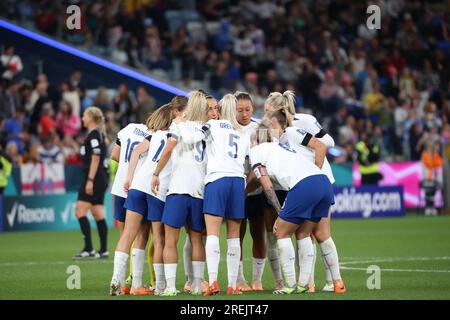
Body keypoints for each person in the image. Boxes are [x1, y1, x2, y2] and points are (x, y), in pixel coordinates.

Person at [264, 90, 344, 293]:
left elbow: (328, 143)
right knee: (309, 233)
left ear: (277, 110)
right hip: (306, 184)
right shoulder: (280, 133)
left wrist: (314, 169)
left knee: (316, 233)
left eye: (267, 111)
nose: (264, 116)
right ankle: (318, 283)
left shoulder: (301, 122)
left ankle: (322, 281)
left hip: (314, 180)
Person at [249, 120, 335, 294]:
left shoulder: (255, 151)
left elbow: (266, 185)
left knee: (280, 232)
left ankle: (289, 285)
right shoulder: (282, 146)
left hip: (303, 185)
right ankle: (305, 284)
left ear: (254, 140)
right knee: (304, 233)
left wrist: (280, 214)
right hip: (323, 181)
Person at [177, 94, 250, 296]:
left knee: (212, 234)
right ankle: (233, 286)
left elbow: (192, 138)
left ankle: (214, 281)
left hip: (217, 180)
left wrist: (181, 123)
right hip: (238, 181)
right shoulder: (241, 133)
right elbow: (247, 160)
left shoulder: (212, 126)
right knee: (234, 237)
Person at [150, 92, 211, 296]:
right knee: (196, 239)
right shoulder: (206, 129)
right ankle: (196, 285)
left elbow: (167, 151)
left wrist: (156, 173)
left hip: (178, 189)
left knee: (170, 241)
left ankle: (170, 286)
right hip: (199, 190)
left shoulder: (179, 126)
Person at [109, 105, 174, 296]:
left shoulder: (130, 129)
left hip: (131, 186)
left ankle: (119, 280)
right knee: (155, 237)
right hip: (154, 189)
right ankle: (159, 285)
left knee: (127, 235)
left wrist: (128, 177)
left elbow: (119, 154)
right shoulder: (169, 136)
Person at [181, 90, 219, 293]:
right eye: (209, 109)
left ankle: (196, 279)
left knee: (201, 234)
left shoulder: (217, 130)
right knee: (194, 234)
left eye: (215, 108)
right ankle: (192, 279)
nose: (213, 112)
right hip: (192, 186)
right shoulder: (192, 128)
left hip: (209, 185)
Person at [234, 91, 268, 292]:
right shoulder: (228, 127)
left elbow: (263, 160)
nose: (244, 114)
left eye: (247, 109)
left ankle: (257, 280)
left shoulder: (259, 128)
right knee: (236, 236)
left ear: (252, 109)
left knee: (258, 234)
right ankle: (239, 279)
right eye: (240, 110)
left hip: (254, 190)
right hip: (236, 190)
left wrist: (248, 187)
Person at [73, 107, 109, 259]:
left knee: (79, 211)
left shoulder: (94, 135)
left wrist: (90, 180)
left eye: (84, 115)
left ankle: (88, 248)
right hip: (99, 178)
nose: (82, 118)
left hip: (94, 178)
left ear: (91, 118)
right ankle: (103, 250)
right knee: (97, 213)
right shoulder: (95, 134)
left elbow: (95, 158)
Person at [420, 142, 443, 216]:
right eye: (430, 147)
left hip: (434, 177)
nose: (431, 148)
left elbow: (439, 163)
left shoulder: (435, 155)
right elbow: (426, 165)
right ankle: (428, 207)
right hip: (427, 177)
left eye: (432, 147)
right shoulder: (425, 155)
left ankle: (432, 207)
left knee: (433, 191)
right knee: (428, 191)